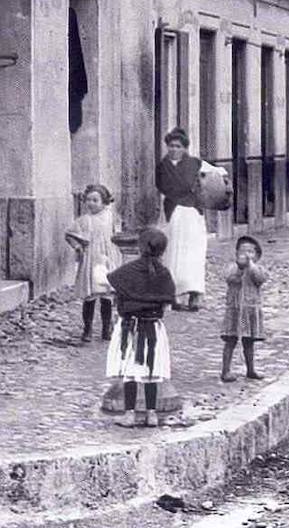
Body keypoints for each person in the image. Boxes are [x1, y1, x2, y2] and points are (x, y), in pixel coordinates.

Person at [105, 226, 177, 428]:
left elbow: (112, 284)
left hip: (131, 328)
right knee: (151, 373)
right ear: (162, 250)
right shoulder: (163, 273)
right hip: (153, 328)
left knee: (130, 373)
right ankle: (151, 415)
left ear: (139, 247)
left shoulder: (128, 271)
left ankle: (129, 415)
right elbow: (168, 302)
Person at [155, 127, 206, 311]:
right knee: (173, 253)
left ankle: (194, 294)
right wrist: (182, 191)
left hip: (192, 213)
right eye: (170, 146)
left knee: (193, 254)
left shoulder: (195, 164)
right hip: (174, 212)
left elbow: (211, 179)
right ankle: (173, 295)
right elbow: (162, 186)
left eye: (177, 146)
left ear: (185, 148)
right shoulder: (162, 166)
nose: (173, 149)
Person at [66, 183, 119, 342]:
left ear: (105, 202)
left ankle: (106, 328)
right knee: (90, 296)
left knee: (106, 296)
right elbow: (69, 234)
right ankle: (87, 328)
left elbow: (117, 234)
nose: (91, 203)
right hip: (90, 259)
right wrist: (77, 247)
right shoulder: (84, 220)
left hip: (107, 260)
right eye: (88, 200)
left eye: (95, 200)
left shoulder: (111, 217)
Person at [220, 235, 266, 383]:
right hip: (235, 312)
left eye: (250, 252)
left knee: (248, 340)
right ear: (236, 254)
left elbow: (260, 279)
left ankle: (250, 369)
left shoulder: (258, 269)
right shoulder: (232, 268)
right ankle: (225, 370)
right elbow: (230, 278)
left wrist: (251, 266)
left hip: (248, 314)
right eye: (242, 251)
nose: (246, 255)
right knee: (230, 339)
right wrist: (240, 269)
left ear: (257, 256)